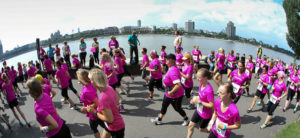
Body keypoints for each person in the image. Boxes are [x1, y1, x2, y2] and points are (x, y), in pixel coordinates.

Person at [151, 54, 189, 126]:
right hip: (168, 92)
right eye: (166, 59)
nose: (166, 60)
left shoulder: (173, 70)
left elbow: (178, 84)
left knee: (177, 108)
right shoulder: (172, 68)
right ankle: (159, 119)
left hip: (175, 94)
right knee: (164, 106)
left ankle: (186, 119)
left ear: (173, 61)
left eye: (168, 59)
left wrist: (171, 92)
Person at [87, 69, 125, 138]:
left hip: (116, 128)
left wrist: (94, 112)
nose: (90, 82)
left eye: (91, 80)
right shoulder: (108, 87)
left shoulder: (103, 98)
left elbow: (110, 120)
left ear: (95, 82)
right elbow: (117, 100)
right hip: (111, 125)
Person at [187, 68, 214, 138]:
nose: (197, 79)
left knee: (201, 129)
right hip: (199, 110)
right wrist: (194, 99)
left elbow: (211, 105)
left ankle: (214, 132)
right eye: (197, 77)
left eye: (199, 77)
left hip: (205, 114)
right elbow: (201, 96)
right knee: (190, 125)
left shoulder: (209, 90)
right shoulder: (201, 84)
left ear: (205, 78)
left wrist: (200, 102)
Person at [77, 69, 102, 138]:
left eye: (78, 78)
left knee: (94, 128)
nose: (78, 80)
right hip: (96, 111)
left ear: (82, 79)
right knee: (106, 126)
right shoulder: (90, 84)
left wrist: (85, 108)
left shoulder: (87, 91)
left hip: (94, 113)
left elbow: (96, 103)